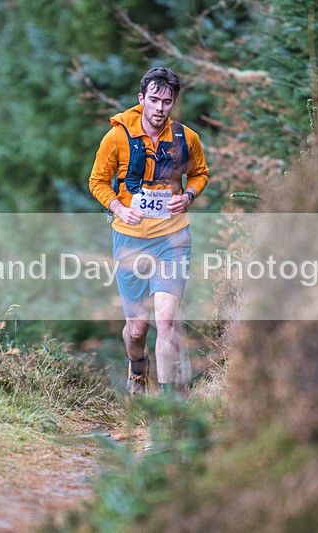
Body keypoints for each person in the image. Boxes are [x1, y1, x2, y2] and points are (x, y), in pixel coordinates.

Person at [88, 67, 209, 396]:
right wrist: (118, 208)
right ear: (141, 99)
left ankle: (168, 407)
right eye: (153, 100)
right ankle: (137, 366)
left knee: (166, 323)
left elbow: (200, 174)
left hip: (173, 240)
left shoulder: (186, 138)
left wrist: (188, 196)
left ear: (173, 104)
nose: (159, 108)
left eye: (166, 102)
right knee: (137, 328)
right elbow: (97, 181)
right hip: (130, 240)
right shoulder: (116, 137)